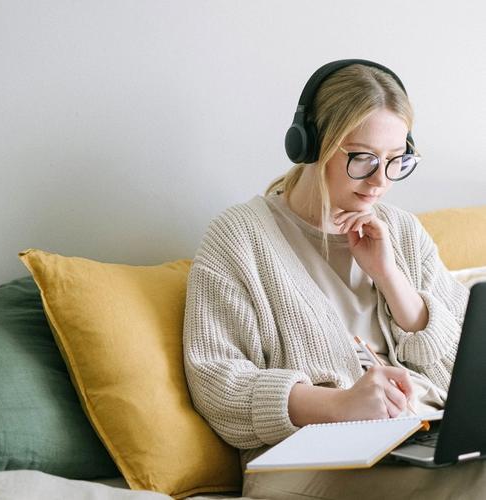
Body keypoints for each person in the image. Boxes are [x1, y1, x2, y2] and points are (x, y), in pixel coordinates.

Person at [183, 59, 481, 499]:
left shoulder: (400, 230)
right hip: (308, 459)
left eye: (397, 160)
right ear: (310, 145)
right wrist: (339, 406)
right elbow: (216, 383)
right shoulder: (240, 237)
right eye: (363, 159)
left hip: (423, 437)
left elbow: (464, 368)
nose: (381, 181)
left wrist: (391, 277)